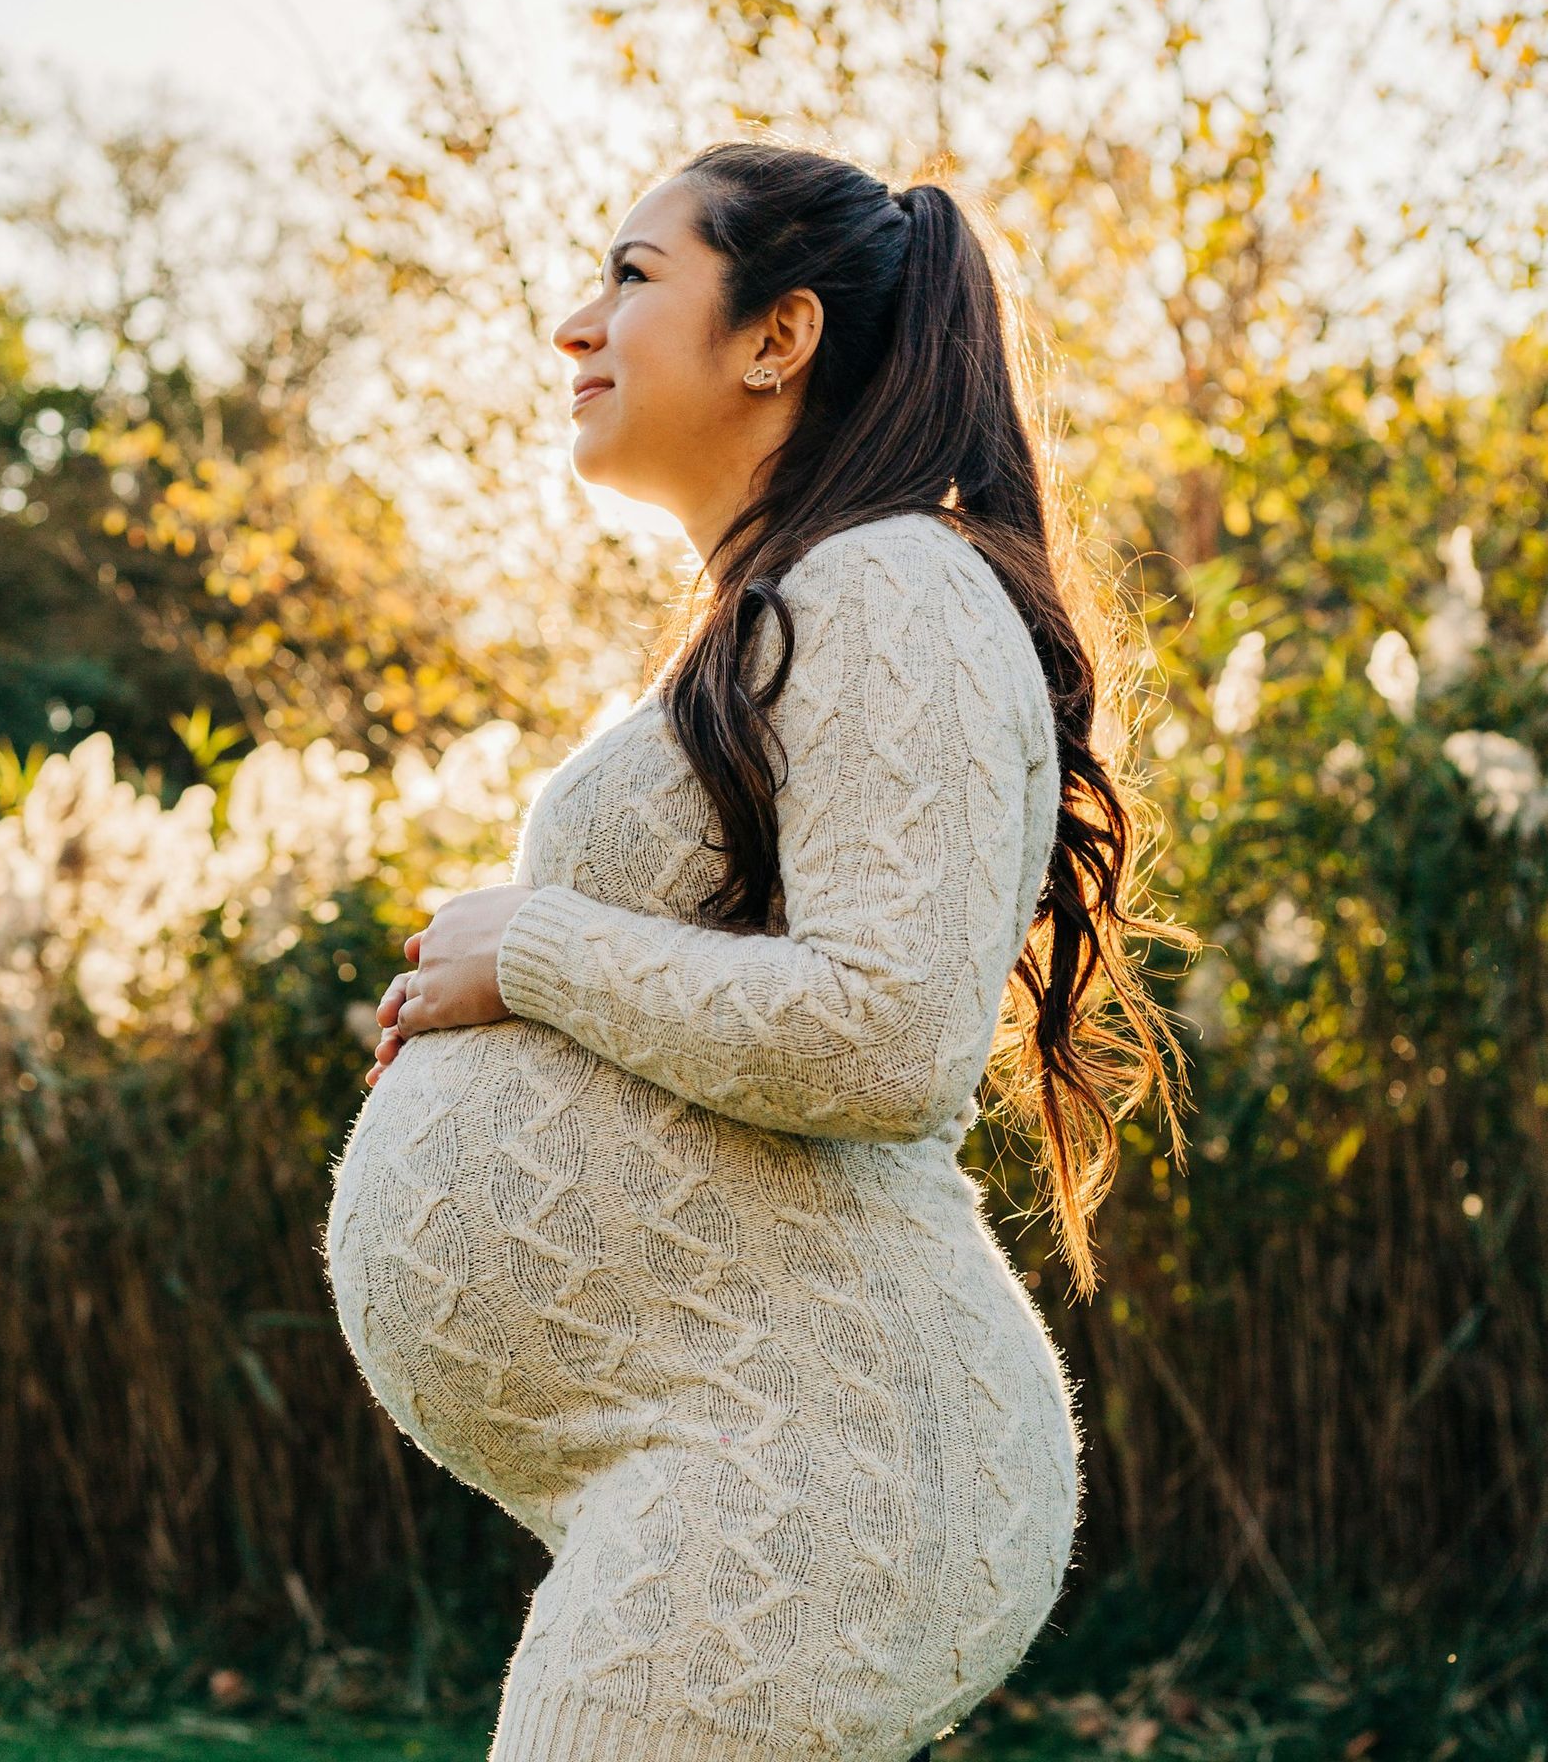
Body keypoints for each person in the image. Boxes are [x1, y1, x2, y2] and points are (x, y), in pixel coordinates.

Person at [324, 137, 1191, 1761]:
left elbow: (886, 1032)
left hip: (812, 1452)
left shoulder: (893, 586)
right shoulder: (800, 602)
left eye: (633, 277)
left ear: (776, 337)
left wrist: (535, 950)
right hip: (726, 1448)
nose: (576, 327)